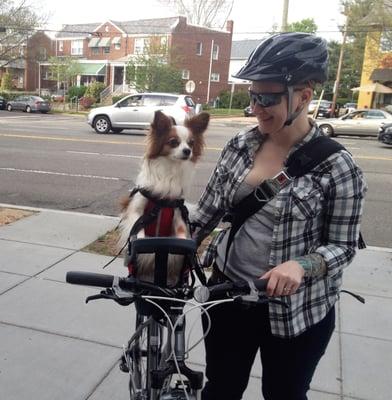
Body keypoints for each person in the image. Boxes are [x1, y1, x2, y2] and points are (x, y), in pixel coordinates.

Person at [190, 32, 367, 400]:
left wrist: (301, 265)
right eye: (253, 96)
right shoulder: (240, 145)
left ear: (304, 96)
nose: (256, 107)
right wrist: (167, 245)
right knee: (220, 389)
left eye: (268, 98)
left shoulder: (338, 166)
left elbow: (343, 246)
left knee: (284, 395)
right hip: (229, 298)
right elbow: (206, 213)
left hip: (298, 313)